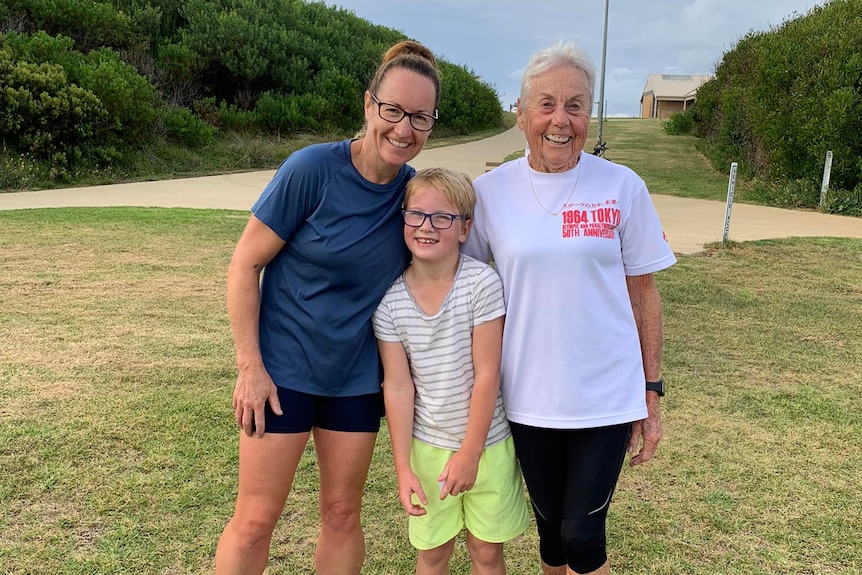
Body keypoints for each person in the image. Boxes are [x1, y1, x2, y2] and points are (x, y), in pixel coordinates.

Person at [214, 40, 441, 575]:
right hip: (281, 378)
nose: (404, 129)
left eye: (420, 117)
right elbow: (244, 265)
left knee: (342, 513)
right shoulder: (312, 169)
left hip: (357, 383)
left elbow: (469, 234)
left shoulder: (414, 198)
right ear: (369, 105)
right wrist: (250, 368)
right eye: (393, 111)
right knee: (255, 518)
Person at [461, 42, 677, 575]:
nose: (561, 120)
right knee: (552, 541)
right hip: (526, 396)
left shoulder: (622, 187)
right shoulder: (488, 194)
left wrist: (651, 391)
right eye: (547, 103)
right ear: (520, 112)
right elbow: (455, 279)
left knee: (583, 540)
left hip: (604, 396)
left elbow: (643, 294)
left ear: (590, 115)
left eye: (576, 105)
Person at [372, 167, 529, 575]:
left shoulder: (482, 284)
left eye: (443, 217)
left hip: (488, 446)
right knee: (432, 554)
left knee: (487, 553)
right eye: (416, 215)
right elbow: (399, 387)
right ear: (403, 219)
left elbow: (487, 375)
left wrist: (470, 453)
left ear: (465, 228)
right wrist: (403, 466)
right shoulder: (389, 304)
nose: (427, 227)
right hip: (426, 450)